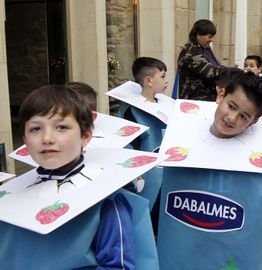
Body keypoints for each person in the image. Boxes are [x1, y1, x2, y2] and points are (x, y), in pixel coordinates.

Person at [156, 72, 262, 269]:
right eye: (231, 106)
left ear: (254, 122)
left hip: (229, 254)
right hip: (182, 251)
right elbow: (164, 194)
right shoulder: (178, 141)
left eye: (244, 116)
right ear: (220, 96)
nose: (232, 118)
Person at [0, 85, 158, 269]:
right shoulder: (11, 200)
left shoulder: (107, 202)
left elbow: (117, 265)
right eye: (35, 129)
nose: (47, 138)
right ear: (25, 141)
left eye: (61, 127)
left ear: (85, 136)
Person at [117, 57, 168, 231]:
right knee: (143, 219)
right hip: (146, 177)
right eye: (162, 76)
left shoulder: (165, 105)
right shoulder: (131, 111)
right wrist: (133, 174)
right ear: (148, 81)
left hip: (164, 174)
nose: (166, 80)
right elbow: (126, 145)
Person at [177, 19, 223, 101]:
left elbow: (216, 65)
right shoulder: (191, 52)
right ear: (198, 35)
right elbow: (210, 72)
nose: (212, 40)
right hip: (195, 99)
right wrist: (233, 72)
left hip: (208, 96)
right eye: (209, 36)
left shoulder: (205, 48)